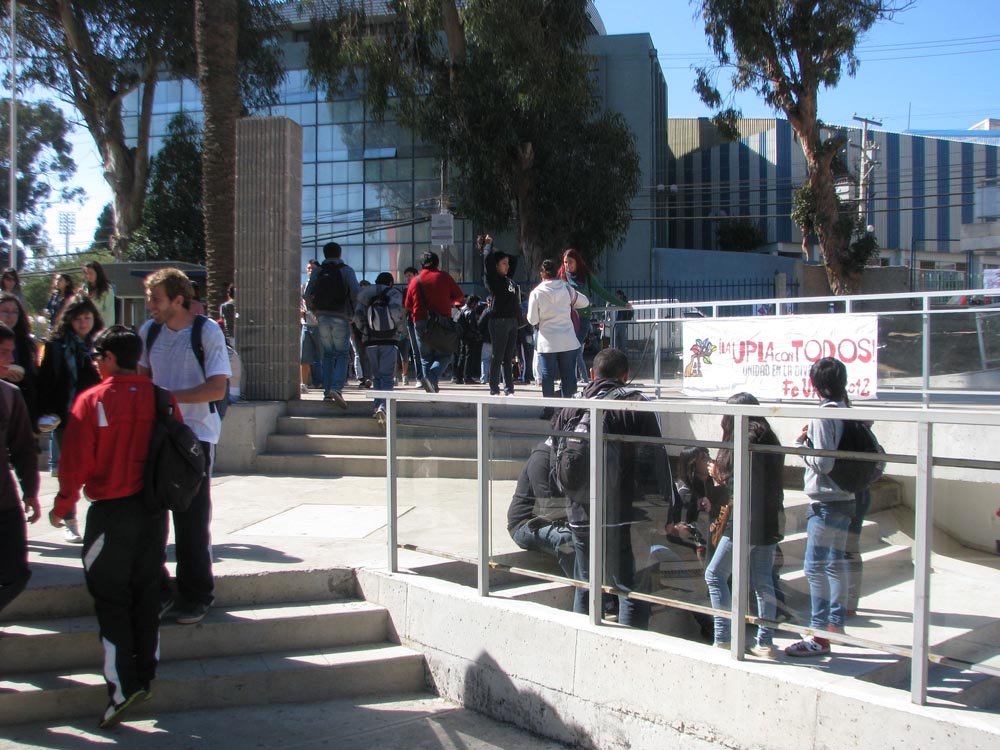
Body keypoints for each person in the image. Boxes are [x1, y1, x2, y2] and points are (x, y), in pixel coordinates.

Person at [49, 326, 175, 728]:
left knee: (111, 598)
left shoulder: (92, 400)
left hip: (110, 513)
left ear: (106, 358)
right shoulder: (160, 396)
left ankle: (123, 688)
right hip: (154, 512)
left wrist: (62, 506)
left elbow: (75, 463)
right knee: (146, 593)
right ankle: (145, 675)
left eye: (96, 357)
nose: (94, 364)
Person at [561, 348, 680, 630]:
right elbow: (657, 458)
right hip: (625, 514)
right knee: (631, 588)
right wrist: (669, 506)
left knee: (587, 584)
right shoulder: (636, 404)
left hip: (579, 512)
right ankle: (631, 650)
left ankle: (584, 640)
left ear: (592, 374)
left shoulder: (571, 405)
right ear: (625, 376)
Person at [139, 268, 231, 625]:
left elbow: (217, 388)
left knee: (191, 520)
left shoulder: (206, 331)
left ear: (179, 300)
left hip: (195, 437)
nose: (150, 305)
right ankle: (159, 590)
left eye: (156, 298)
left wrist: (167, 400)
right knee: (149, 517)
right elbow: (141, 379)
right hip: (156, 435)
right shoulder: (149, 332)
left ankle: (196, 595)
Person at [705, 393, 785, 658]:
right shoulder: (768, 438)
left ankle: (723, 638)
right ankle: (765, 642)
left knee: (715, 575)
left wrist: (719, 475)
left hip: (744, 521)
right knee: (762, 581)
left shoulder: (744, 441)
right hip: (768, 518)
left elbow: (742, 484)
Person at [785, 357, 855, 658]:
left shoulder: (823, 415)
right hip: (846, 498)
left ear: (816, 386)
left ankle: (817, 633)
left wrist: (802, 449)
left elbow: (824, 462)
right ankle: (835, 625)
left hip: (826, 501)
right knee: (836, 563)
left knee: (814, 567)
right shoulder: (847, 411)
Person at [37, 295, 104, 542]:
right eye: (78, 319)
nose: (83, 323)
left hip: (96, 417)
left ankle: (99, 519)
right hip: (66, 416)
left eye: (87, 317)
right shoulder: (56, 346)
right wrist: (45, 412)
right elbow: (46, 382)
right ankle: (70, 521)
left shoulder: (99, 345)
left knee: (97, 468)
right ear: (69, 320)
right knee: (68, 471)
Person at [0, 323, 40, 619]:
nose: (7, 359)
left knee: (16, 572)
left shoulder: (10, 395)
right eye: (2, 352)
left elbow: (24, 447)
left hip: (4, 499)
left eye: (9, 352)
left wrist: (31, 492)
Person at [526, 259, 589, 417]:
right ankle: (568, 411)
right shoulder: (567, 288)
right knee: (568, 376)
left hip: (547, 343)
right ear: (557, 273)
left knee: (547, 376)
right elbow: (585, 302)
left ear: (542, 274)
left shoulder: (536, 293)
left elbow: (532, 320)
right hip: (568, 340)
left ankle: (549, 410)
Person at [303, 242, 360, 407]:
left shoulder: (318, 271)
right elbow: (356, 293)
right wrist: (353, 313)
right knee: (342, 354)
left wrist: (314, 311)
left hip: (322, 317)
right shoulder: (346, 270)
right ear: (339, 254)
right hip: (341, 316)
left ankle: (327, 391)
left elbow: (307, 294)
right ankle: (336, 387)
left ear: (325, 254)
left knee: (327, 355)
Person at [558, 249, 628, 382]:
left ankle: (581, 381)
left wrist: (622, 304)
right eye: (565, 262)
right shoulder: (561, 277)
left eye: (570, 262)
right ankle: (577, 380)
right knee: (571, 350)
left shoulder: (586, 276)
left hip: (583, 320)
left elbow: (603, 293)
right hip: (567, 320)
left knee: (575, 348)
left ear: (577, 262)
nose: (567, 265)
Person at [507, 442, 575, 578]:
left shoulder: (567, 458)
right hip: (526, 525)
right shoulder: (541, 459)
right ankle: (585, 591)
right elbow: (549, 507)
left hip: (556, 520)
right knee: (566, 539)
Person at [403, 250, 464, 393]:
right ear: (437, 263)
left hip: (420, 322)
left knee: (425, 357)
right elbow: (459, 296)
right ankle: (431, 378)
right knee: (446, 352)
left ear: (422, 264)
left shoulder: (415, 281)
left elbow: (408, 305)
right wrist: (446, 302)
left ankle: (431, 387)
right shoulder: (444, 277)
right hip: (441, 321)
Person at [354, 271, 405, 425]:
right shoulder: (394, 293)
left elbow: (357, 317)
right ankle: (384, 406)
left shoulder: (364, 294)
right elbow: (397, 315)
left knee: (376, 377)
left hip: (370, 341)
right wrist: (396, 329)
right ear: (390, 282)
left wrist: (365, 331)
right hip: (389, 340)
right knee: (387, 377)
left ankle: (377, 405)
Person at [481, 236, 521, 396]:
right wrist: (489, 247)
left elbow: (514, 260)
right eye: (503, 264)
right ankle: (494, 388)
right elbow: (488, 263)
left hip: (512, 321)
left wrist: (500, 253)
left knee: (508, 357)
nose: (507, 266)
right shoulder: (494, 280)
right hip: (499, 321)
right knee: (497, 356)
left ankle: (509, 389)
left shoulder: (508, 280)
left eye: (507, 264)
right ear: (496, 266)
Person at [0, 292, 40, 428]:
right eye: (5, 311)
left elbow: (33, 376)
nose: (10, 316)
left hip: (21, 404)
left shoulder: (26, 343)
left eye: (14, 312)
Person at [300, 259, 320, 393]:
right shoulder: (303, 286)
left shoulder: (322, 285)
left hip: (320, 325)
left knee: (324, 356)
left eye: (313, 268)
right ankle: (304, 384)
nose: (310, 271)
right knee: (304, 357)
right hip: (306, 324)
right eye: (308, 268)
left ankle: (324, 382)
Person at [454, 295, 483, 385]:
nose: (477, 306)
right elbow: (473, 326)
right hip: (470, 337)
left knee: (462, 356)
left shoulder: (462, 310)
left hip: (462, 336)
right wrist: (477, 334)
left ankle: (458, 377)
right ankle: (467, 377)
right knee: (469, 357)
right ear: (473, 303)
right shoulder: (470, 312)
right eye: (476, 303)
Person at [400, 266, 422, 384]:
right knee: (415, 351)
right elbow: (404, 309)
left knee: (424, 349)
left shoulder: (422, 287)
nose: (408, 278)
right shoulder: (405, 290)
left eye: (410, 275)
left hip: (422, 320)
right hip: (411, 321)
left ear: (416, 275)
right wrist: (403, 325)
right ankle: (420, 377)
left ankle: (426, 375)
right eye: (406, 276)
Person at [83, 260, 116, 326]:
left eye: (91, 273)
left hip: (102, 324)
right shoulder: (85, 287)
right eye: (86, 273)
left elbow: (109, 311)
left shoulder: (107, 289)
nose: (88, 276)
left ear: (98, 273)